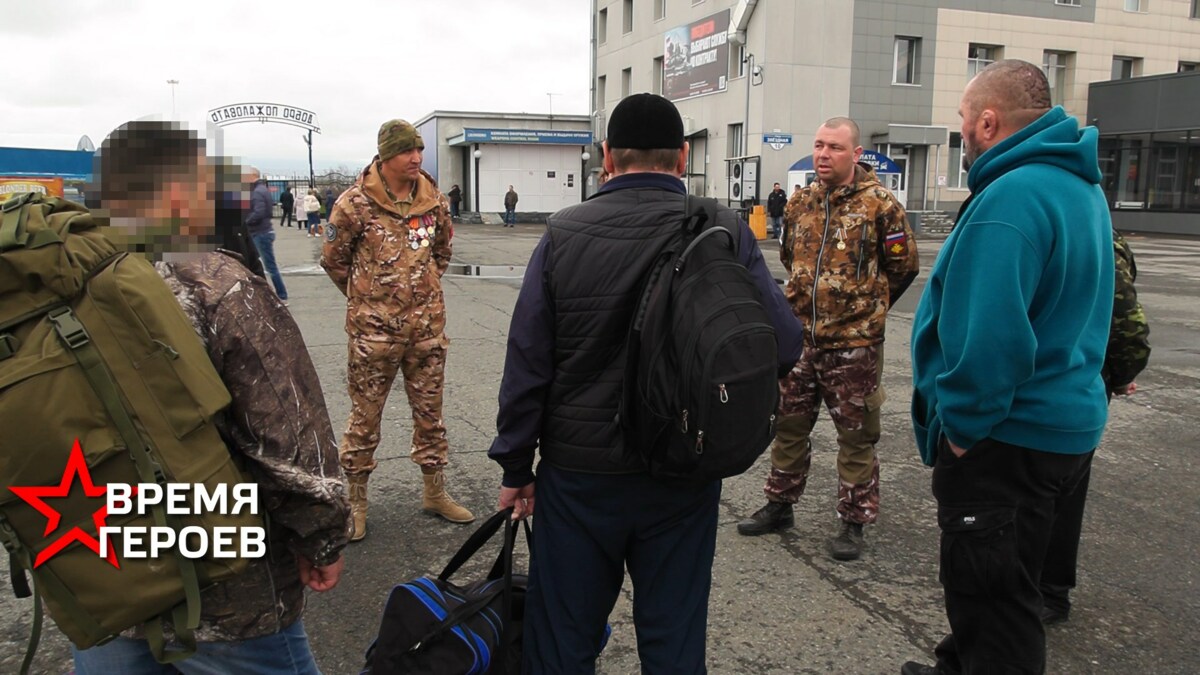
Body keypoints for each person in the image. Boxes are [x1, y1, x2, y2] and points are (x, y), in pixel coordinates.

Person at [488, 93, 804, 673]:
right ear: (682, 157)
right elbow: (783, 345)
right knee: (674, 638)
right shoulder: (724, 231)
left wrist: (515, 466)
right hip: (682, 469)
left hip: (580, 477)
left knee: (562, 638)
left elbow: (527, 365)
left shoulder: (562, 234)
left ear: (607, 157)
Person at [76, 119, 350, 675]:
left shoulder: (50, 282)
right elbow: (288, 435)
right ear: (176, 189)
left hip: (97, 570)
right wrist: (321, 538)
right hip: (224, 591)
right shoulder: (214, 282)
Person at [903, 60, 1114, 675]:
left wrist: (964, 432)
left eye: (963, 122)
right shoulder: (1079, 187)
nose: (961, 133)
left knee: (997, 602)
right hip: (1061, 426)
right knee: (999, 579)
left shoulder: (1013, 197)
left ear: (988, 122)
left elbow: (990, 338)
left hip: (1006, 439)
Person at [737, 117, 919, 563]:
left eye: (834, 147)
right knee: (788, 425)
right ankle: (780, 504)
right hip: (801, 340)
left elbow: (904, 266)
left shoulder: (881, 206)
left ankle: (853, 521)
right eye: (818, 145)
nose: (823, 154)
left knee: (856, 435)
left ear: (855, 154)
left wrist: (868, 311)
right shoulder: (800, 203)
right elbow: (789, 259)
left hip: (853, 345)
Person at [321, 119, 474, 542]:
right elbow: (334, 261)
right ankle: (355, 502)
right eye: (407, 151)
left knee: (431, 415)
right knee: (364, 418)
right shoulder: (354, 204)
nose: (416, 158)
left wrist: (420, 295)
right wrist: (368, 301)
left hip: (426, 331)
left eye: (419, 150)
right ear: (386, 156)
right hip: (374, 335)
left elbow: (441, 253)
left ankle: (434, 492)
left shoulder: (434, 201)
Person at [1039, 228, 1150, 626]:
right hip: (1075, 383)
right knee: (1058, 494)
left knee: (1055, 494)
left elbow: (1127, 323)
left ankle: (1048, 592)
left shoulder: (1095, 234)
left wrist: (1118, 374)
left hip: (1065, 385)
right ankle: (1040, 590)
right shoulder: (1091, 222)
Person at [245, 167, 288, 303]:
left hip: (260, 232)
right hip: (264, 231)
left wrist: (245, 222)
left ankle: (281, 296)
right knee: (261, 265)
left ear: (252, 176)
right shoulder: (262, 190)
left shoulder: (257, 192)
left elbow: (259, 212)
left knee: (265, 266)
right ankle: (274, 295)